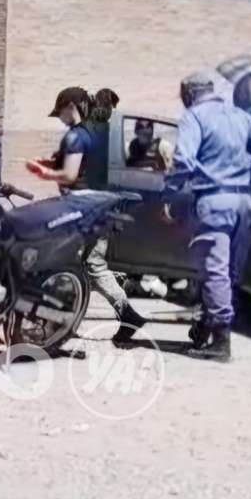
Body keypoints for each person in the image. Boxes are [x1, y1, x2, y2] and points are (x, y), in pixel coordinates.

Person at [163, 72, 251, 362]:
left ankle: (221, 343)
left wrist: (170, 193)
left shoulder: (194, 117)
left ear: (189, 94)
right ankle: (207, 328)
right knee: (230, 273)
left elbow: (183, 160)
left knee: (214, 272)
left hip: (214, 203)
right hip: (244, 203)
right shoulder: (240, 116)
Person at [26, 86, 147, 343]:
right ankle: (79, 320)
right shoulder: (100, 134)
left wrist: (46, 172)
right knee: (82, 265)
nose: (61, 119)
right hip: (94, 209)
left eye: (61, 113)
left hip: (88, 211)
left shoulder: (85, 134)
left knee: (85, 265)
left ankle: (123, 316)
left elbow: (74, 173)